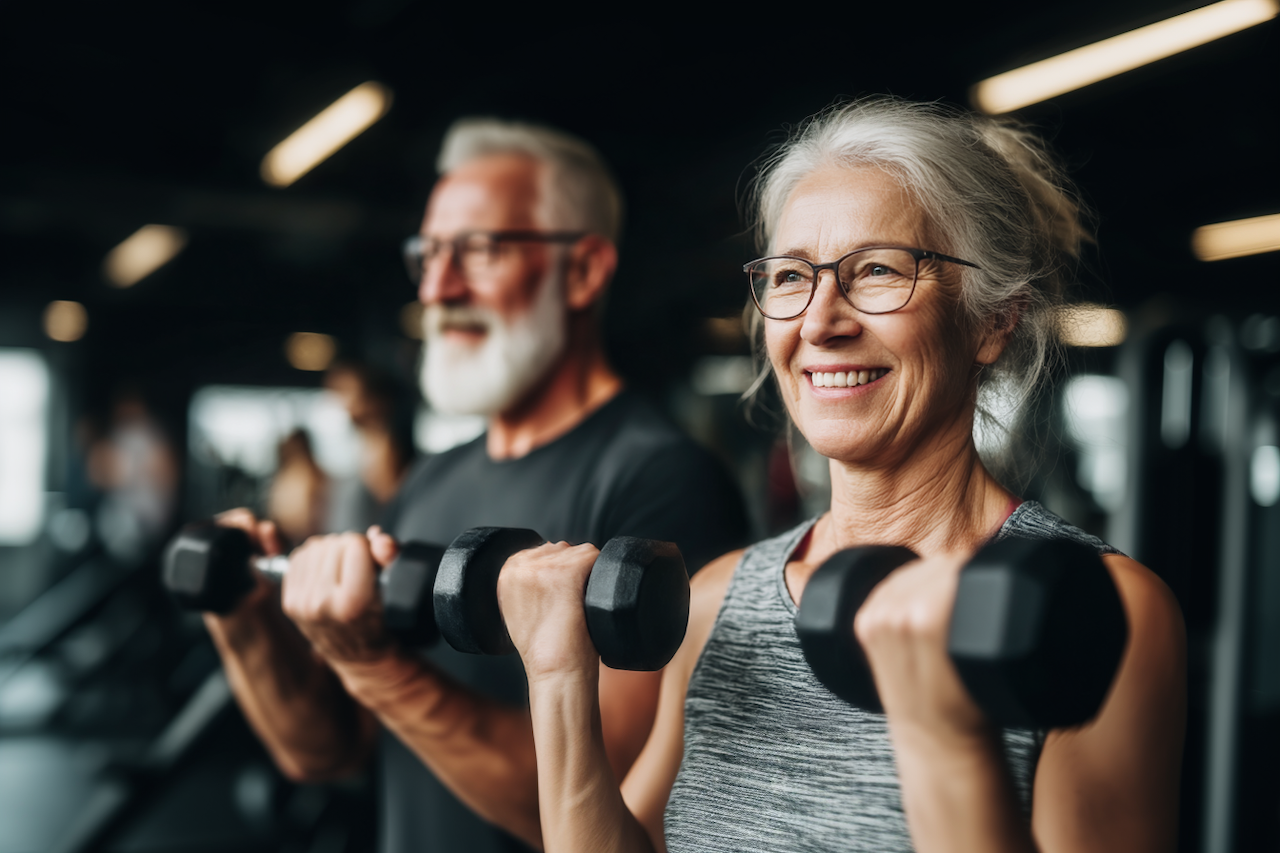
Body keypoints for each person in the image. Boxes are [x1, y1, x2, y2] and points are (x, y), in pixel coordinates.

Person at [494, 99, 1187, 852]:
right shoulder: (716, 600)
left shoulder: (1104, 611)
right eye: (792, 276)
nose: (820, 320)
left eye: (878, 270)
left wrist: (945, 736)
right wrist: (559, 678)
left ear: (994, 322)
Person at [203, 118, 749, 853]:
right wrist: (240, 619)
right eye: (427, 254)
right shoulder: (432, 479)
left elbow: (618, 806)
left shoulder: (662, 478)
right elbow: (327, 752)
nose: (437, 286)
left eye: (479, 250)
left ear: (583, 271)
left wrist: (380, 669)